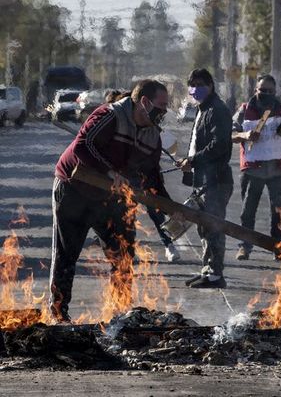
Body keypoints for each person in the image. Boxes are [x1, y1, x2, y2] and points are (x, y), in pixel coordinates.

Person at [50, 79, 172, 323]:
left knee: (123, 255)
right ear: (145, 103)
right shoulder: (110, 115)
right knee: (67, 255)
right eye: (161, 106)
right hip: (75, 189)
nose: (164, 113)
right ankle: (58, 314)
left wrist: (169, 207)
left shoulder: (153, 136)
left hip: (112, 198)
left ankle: (120, 313)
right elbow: (83, 147)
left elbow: (151, 176)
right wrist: (109, 171)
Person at [104, 89, 180, 263]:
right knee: (124, 217)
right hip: (123, 184)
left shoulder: (149, 127)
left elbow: (169, 147)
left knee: (156, 213)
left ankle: (169, 244)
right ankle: (124, 248)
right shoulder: (113, 124)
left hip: (145, 180)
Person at [232, 74, 281, 261]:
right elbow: (230, 133)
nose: (266, 94)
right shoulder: (245, 110)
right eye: (263, 90)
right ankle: (245, 246)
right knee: (248, 210)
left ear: (275, 92)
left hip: (277, 169)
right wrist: (246, 135)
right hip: (253, 169)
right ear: (256, 90)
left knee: (278, 210)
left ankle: (278, 247)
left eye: (270, 91)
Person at [176, 68, 233, 288]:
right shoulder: (203, 109)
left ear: (210, 86)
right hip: (203, 179)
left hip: (216, 180)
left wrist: (194, 160)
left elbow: (218, 145)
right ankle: (208, 271)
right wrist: (189, 161)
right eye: (192, 85)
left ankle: (216, 276)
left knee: (214, 226)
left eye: (200, 84)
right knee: (204, 227)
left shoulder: (217, 110)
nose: (196, 89)